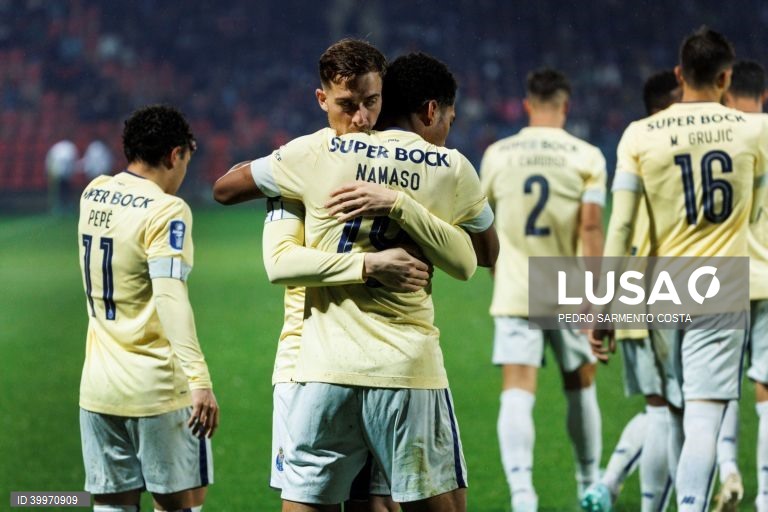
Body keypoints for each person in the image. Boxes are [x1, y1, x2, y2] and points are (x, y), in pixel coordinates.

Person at [214, 41, 490, 511]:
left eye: (371, 103)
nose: (361, 117)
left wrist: (272, 168)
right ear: (322, 100)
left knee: (358, 502)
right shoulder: (449, 166)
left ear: (386, 98)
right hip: (400, 369)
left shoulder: (310, 155)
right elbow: (479, 257)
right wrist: (381, 245)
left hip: (317, 368)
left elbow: (226, 187)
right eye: (348, 105)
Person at [591, 27, 768, 511]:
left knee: (671, 414)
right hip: (723, 287)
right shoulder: (756, 130)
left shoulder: (640, 134)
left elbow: (621, 224)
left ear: (678, 73)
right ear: (726, 78)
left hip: (660, 289)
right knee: (705, 420)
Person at [77, 105, 219, 512]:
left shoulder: (93, 193)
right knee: (182, 502)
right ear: (176, 155)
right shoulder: (166, 209)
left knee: (111, 505)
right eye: (186, 162)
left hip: (98, 389)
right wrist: (199, 379)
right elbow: (169, 293)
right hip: (157, 389)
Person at [479, 68, 607, 511]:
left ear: (527, 105)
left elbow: (481, 224)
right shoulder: (586, 155)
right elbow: (590, 226)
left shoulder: (497, 154)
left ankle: (522, 497)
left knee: (517, 387)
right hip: (568, 283)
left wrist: (498, 272)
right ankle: (589, 485)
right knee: (580, 382)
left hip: (516, 283)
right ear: (566, 107)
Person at [581, 69, 681, 512]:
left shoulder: (636, 143)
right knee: (677, 412)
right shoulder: (691, 144)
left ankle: (609, 482)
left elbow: (619, 225)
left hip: (639, 284)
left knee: (662, 409)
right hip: (683, 284)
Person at [719, 58, 767, 512]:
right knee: (766, 388)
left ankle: (728, 467)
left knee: (720, 384)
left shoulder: (721, 135)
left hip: (721, 277)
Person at [46, 139, 78, 215]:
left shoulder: (66, 147)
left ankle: (67, 207)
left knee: (65, 191)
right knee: (60, 192)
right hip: (59, 174)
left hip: (65, 174)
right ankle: (60, 207)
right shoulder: (62, 147)